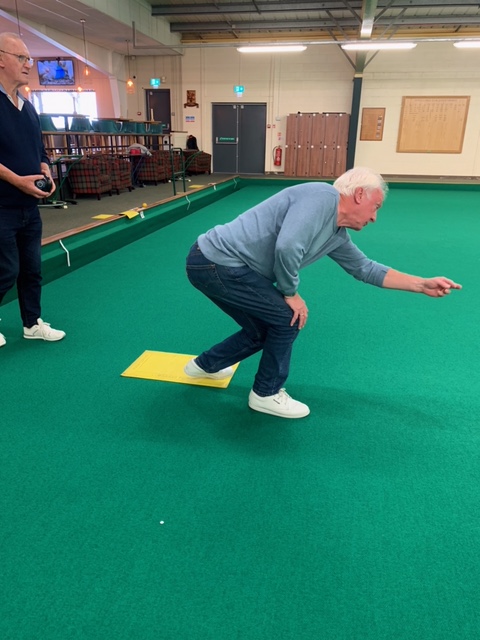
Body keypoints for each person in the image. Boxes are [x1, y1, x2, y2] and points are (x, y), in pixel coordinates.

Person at [184, 167, 461, 419]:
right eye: (375, 207)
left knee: (266, 327)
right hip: (217, 263)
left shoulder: (335, 234)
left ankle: (204, 366)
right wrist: (291, 293)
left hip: (215, 264)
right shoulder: (322, 195)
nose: (375, 217)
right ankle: (265, 394)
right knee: (286, 319)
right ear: (359, 195)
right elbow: (288, 246)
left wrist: (420, 284)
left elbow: (365, 268)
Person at [0, 32, 65, 348]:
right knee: (5, 269)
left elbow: (39, 150)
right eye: (22, 58)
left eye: (29, 58)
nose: (29, 65)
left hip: (29, 206)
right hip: (2, 206)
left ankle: (32, 323)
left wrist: (44, 169)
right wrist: (16, 179)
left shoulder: (29, 107)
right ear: (1, 59)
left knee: (32, 270)